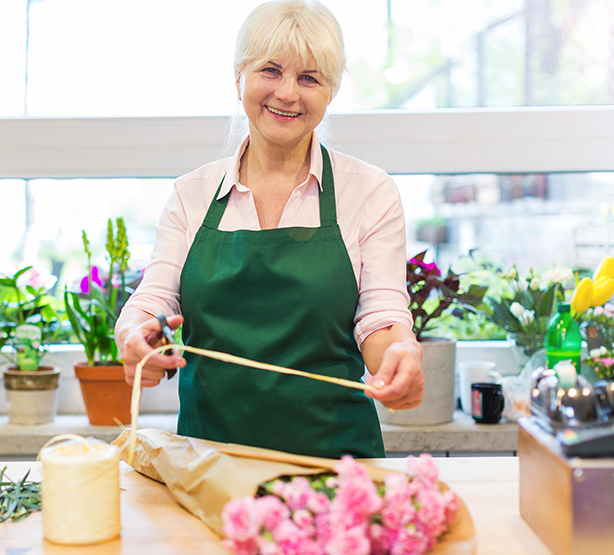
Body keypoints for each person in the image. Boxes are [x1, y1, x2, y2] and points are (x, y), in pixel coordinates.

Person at [114, 0, 423, 459]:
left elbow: (381, 316)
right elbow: (154, 299)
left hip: (337, 465)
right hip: (209, 466)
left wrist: (399, 357)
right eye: (271, 70)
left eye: (309, 78)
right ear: (238, 76)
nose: (287, 93)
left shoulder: (369, 192)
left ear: (331, 92)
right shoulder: (191, 194)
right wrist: (135, 334)